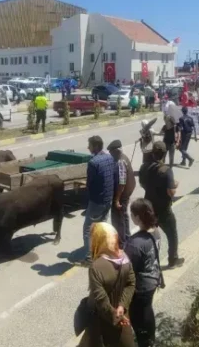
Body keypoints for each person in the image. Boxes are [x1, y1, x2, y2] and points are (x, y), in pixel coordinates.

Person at [78, 223, 135, 347]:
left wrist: (115, 316)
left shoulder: (96, 267)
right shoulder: (125, 258)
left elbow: (100, 299)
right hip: (122, 315)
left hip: (103, 319)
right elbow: (130, 284)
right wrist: (122, 306)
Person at [124, 199, 163, 347]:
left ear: (138, 217)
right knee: (147, 309)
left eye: (132, 214)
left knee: (138, 316)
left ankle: (145, 342)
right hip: (153, 279)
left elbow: (128, 269)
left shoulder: (136, 243)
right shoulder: (155, 231)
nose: (131, 217)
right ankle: (150, 338)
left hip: (140, 287)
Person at [138, 142, 184, 269]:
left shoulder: (144, 167)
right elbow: (171, 192)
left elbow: (142, 184)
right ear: (165, 153)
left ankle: (145, 261)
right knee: (172, 234)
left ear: (152, 153)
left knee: (148, 235)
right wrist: (175, 184)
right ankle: (173, 260)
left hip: (149, 206)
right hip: (163, 210)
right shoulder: (166, 170)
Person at [81, 136, 116, 265]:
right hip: (108, 199)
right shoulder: (109, 157)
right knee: (101, 227)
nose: (88, 147)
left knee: (88, 229)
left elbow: (89, 184)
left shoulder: (93, 162)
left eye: (89, 145)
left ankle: (90, 258)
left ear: (95, 146)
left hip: (97, 201)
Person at [108, 140, 135, 248]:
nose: (110, 154)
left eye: (111, 152)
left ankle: (122, 243)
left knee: (119, 219)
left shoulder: (120, 161)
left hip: (122, 194)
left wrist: (117, 199)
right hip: (127, 192)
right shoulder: (124, 157)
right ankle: (128, 237)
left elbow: (122, 182)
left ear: (116, 151)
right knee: (124, 215)